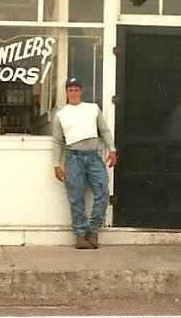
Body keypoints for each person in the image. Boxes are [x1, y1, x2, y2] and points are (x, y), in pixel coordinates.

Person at [52, 77, 117, 249]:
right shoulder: (61, 115)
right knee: (75, 196)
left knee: (102, 191)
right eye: (70, 90)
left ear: (81, 91)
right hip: (73, 157)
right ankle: (80, 234)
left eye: (76, 89)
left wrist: (112, 149)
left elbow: (104, 130)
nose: (73, 93)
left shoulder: (92, 109)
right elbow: (58, 142)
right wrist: (56, 164)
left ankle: (94, 231)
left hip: (93, 156)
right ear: (66, 93)